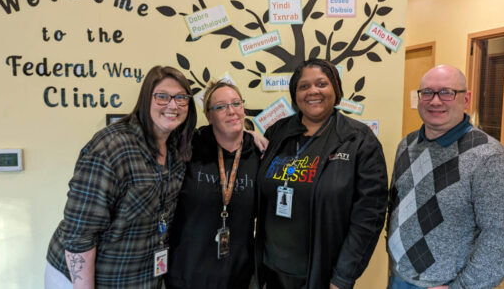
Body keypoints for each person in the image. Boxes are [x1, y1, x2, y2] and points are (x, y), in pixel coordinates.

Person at [45, 65, 197, 288]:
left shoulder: (177, 148)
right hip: (83, 278)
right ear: (146, 100)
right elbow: (79, 235)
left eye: (181, 98)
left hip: (136, 278)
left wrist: (249, 137)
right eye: (162, 97)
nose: (173, 105)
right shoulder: (111, 148)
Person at [386, 65, 504, 289]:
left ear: (466, 99)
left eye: (447, 92)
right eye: (428, 92)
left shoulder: (490, 158)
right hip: (399, 277)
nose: (435, 101)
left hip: (447, 284)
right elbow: (397, 209)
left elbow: (501, 238)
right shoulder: (407, 145)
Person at [255, 58, 388, 289]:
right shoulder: (278, 132)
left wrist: (343, 277)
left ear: (336, 90)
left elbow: (369, 218)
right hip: (270, 270)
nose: (312, 91)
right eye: (304, 86)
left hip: (321, 275)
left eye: (321, 84)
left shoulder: (359, 140)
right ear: (295, 94)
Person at [166, 81, 261, 288]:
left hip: (238, 276)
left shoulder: (260, 154)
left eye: (236, 103)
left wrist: (253, 134)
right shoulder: (189, 147)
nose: (231, 111)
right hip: (187, 275)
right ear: (209, 116)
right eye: (220, 107)